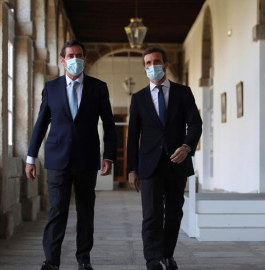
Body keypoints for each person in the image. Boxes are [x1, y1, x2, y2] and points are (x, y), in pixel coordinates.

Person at [25, 40, 117, 270]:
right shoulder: (51, 88)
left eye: (79, 55)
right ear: (62, 60)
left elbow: (109, 123)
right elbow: (40, 124)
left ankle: (83, 258)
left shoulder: (98, 87)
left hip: (87, 159)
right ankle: (51, 261)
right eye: (70, 56)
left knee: (86, 211)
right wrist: (30, 157)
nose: (75, 60)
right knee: (57, 211)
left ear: (84, 59)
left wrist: (109, 156)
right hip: (57, 159)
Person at [127, 47, 202, 270]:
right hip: (149, 164)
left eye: (156, 62)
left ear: (165, 65)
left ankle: (167, 255)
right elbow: (132, 136)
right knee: (151, 214)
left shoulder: (183, 92)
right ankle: (152, 260)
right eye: (148, 63)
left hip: (177, 162)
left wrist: (187, 147)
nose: (152, 66)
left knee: (174, 212)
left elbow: (195, 123)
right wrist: (132, 169)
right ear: (144, 68)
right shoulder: (139, 98)